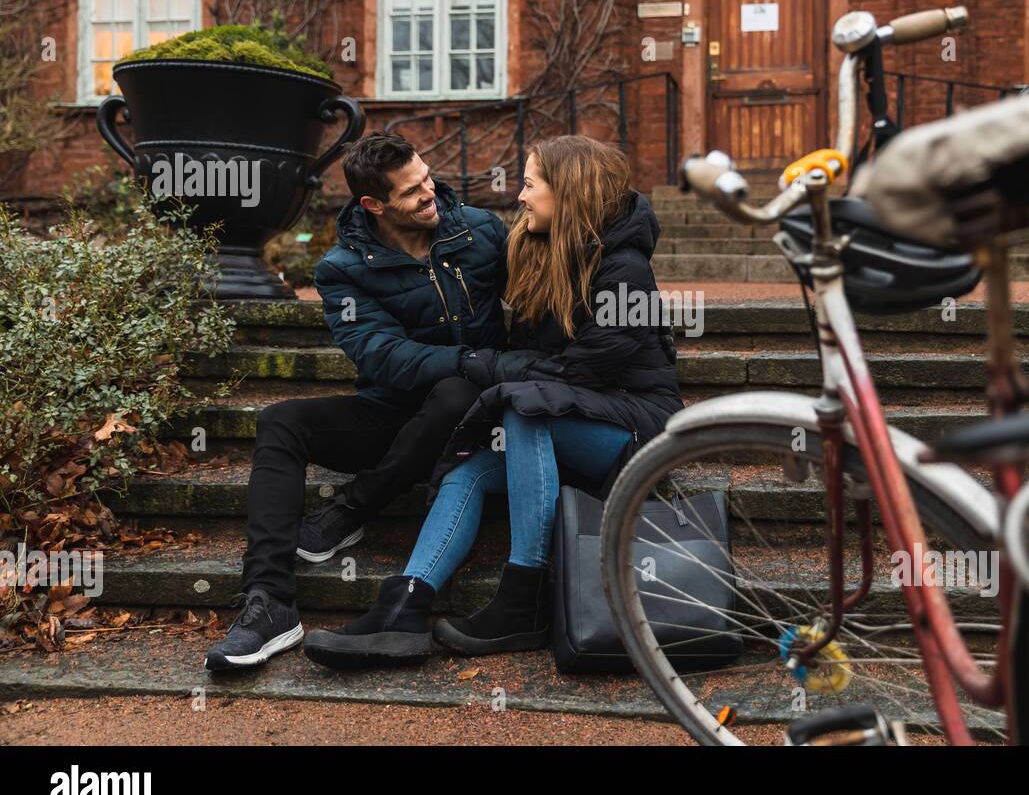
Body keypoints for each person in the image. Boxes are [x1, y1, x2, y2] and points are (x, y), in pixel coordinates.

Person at [303, 134, 682, 668]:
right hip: (570, 422)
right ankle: (404, 609)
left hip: (636, 430)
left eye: (530, 185)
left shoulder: (626, 271)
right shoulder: (542, 251)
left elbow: (588, 368)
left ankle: (523, 594)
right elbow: (536, 360)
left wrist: (489, 376)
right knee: (471, 473)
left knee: (526, 408)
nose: (520, 197)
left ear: (569, 194)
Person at [205, 132, 508, 671]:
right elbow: (380, 355)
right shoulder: (343, 268)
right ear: (373, 204)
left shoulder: (482, 232)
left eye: (427, 178)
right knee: (280, 421)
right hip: (395, 414)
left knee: (457, 392)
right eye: (412, 192)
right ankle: (268, 601)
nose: (429, 193)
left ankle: (352, 506)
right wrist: (468, 359)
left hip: (478, 418)